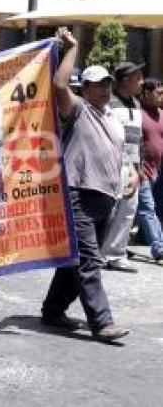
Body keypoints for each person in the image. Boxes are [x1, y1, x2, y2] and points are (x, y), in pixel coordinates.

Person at [40, 28, 129, 343]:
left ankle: (52, 310)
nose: (105, 89)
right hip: (79, 193)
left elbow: (121, 152)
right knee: (90, 259)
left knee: (74, 258)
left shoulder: (112, 117)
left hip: (107, 197)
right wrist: (73, 48)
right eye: (98, 84)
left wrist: (130, 175)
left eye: (108, 83)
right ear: (86, 88)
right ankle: (102, 322)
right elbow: (59, 84)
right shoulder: (77, 110)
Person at [102, 61, 143, 273]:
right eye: (138, 78)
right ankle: (99, 253)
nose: (141, 82)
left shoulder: (136, 104)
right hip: (111, 165)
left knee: (128, 210)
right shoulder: (108, 102)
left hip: (132, 168)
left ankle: (115, 254)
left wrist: (138, 169)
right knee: (107, 210)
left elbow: (139, 140)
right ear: (125, 79)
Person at [134, 79, 163, 262]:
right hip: (140, 170)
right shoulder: (136, 114)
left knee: (135, 211)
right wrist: (138, 168)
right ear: (145, 93)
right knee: (147, 208)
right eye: (158, 93)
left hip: (157, 172)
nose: (162, 97)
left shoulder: (161, 114)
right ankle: (159, 247)